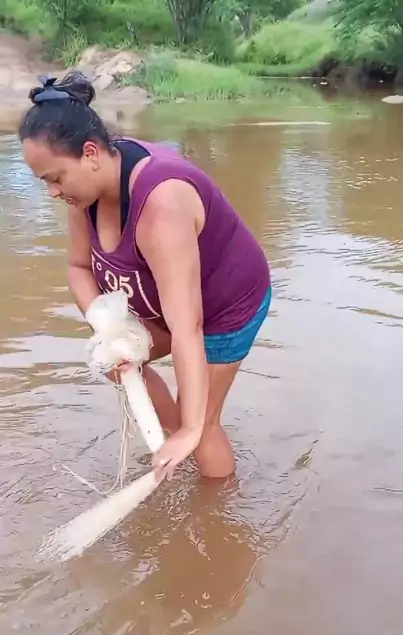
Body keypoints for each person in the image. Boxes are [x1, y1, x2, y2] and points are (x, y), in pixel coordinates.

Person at [19, 72, 272, 482]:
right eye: (45, 181)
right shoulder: (83, 192)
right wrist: (108, 329)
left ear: (90, 153)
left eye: (55, 178)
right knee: (111, 361)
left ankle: (217, 504)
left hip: (227, 304)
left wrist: (192, 428)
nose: (52, 191)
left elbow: (187, 326)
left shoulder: (161, 205)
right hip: (167, 300)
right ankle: (173, 439)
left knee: (203, 425)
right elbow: (79, 268)